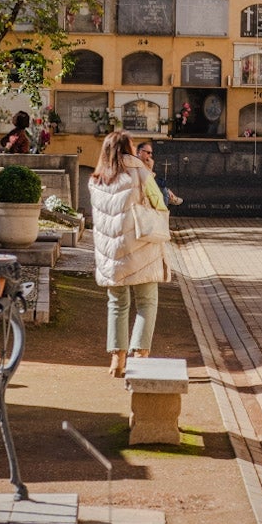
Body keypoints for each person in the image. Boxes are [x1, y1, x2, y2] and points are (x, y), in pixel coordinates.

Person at [89, 130, 170, 377]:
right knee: (147, 301)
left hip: (110, 252)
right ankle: (141, 354)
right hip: (141, 246)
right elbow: (159, 203)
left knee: (117, 303)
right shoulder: (140, 172)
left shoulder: (96, 179)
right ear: (129, 148)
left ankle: (117, 359)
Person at [136, 141, 182, 206]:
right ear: (140, 152)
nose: (150, 155)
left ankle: (170, 197)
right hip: (141, 188)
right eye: (148, 153)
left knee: (163, 187)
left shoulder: (143, 162)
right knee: (164, 191)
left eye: (151, 153)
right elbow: (147, 180)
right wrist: (150, 168)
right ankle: (170, 200)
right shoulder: (135, 163)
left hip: (146, 188)